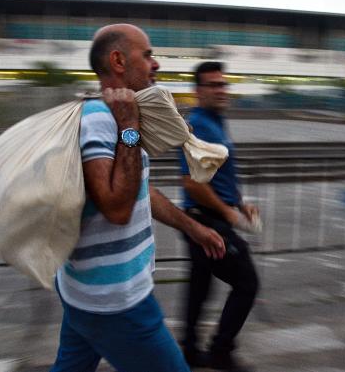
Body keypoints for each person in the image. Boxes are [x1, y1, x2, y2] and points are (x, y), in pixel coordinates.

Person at [50, 24, 226, 372]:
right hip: (114, 300)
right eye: (146, 55)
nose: (155, 63)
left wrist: (192, 227)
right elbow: (117, 208)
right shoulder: (101, 120)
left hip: (86, 290)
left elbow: (139, 190)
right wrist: (129, 127)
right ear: (118, 60)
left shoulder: (114, 116)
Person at [179, 62, 260, 372]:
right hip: (205, 220)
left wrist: (240, 204)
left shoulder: (217, 122)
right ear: (198, 91)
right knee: (247, 281)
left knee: (200, 286)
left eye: (223, 84)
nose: (221, 90)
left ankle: (188, 351)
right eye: (213, 85)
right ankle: (220, 352)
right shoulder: (197, 125)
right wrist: (227, 211)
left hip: (210, 215)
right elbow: (191, 183)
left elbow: (221, 175)